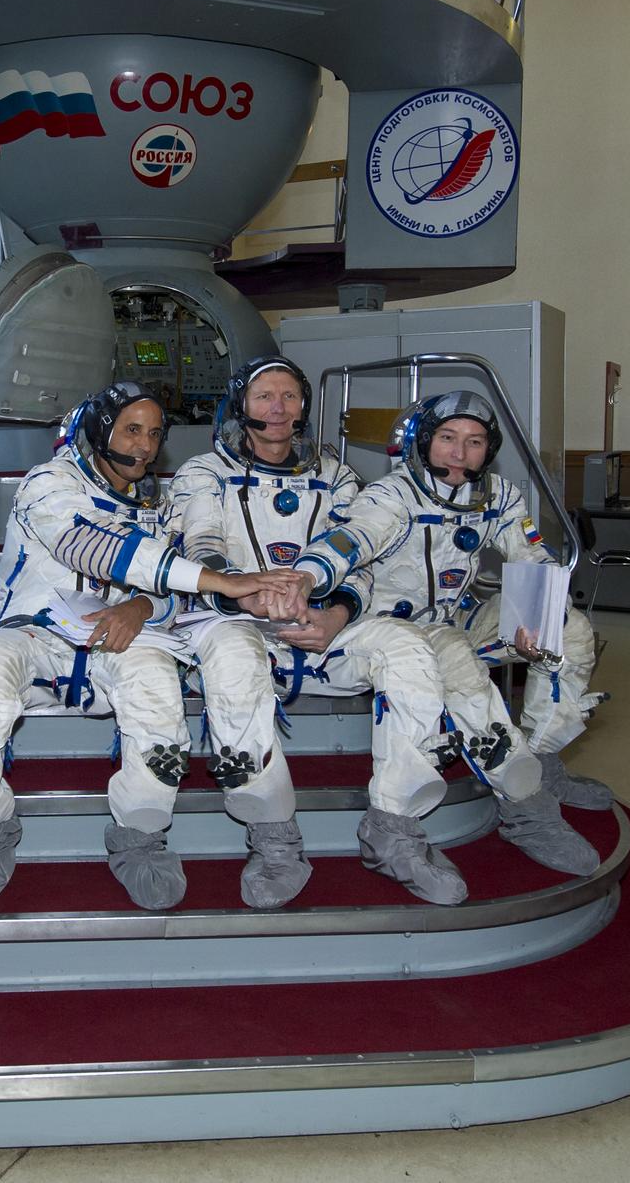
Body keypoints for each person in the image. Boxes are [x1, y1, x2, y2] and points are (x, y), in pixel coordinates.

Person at [170, 358, 540, 906]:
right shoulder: (203, 473)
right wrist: (241, 591)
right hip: (232, 617)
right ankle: (273, 837)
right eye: (265, 396)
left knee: (407, 644)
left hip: (322, 622)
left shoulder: (338, 477)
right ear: (240, 405)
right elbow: (200, 546)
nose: (278, 408)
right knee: (233, 657)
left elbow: (363, 563)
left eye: (290, 396)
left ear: (304, 405)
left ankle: (393, 828)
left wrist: (337, 615)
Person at [0, 382, 296, 913]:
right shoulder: (49, 483)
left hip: (124, 637)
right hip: (36, 633)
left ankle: (139, 837)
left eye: (155, 434)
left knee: (157, 688)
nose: (145, 446)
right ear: (99, 432)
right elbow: (92, 546)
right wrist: (222, 581)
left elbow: (171, 592)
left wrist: (140, 607)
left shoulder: (158, 502)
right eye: (131, 430)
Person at [289, 390, 614, 877]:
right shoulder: (391, 496)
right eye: (447, 438)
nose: (460, 453)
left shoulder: (499, 497)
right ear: (424, 441)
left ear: (489, 449)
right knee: (458, 661)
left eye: (474, 441)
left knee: (568, 629)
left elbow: (531, 558)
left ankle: (542, 759)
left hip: (453, 617)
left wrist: (538, 619)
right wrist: (305, 577)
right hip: (389, 630)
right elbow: (351, 540)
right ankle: (526, 809)